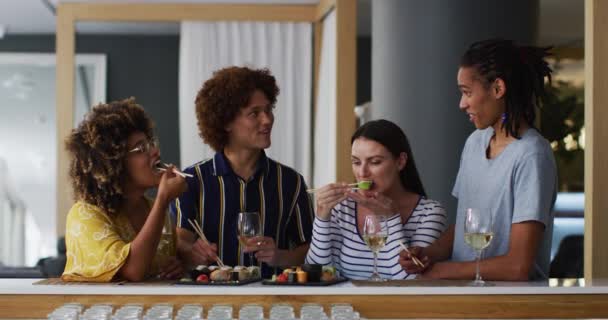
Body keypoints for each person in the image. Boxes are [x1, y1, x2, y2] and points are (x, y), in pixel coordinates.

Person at [400, 39, 557, 281]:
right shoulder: (475, 143)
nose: (462, 104)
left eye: (467, 92)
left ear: (497, 89)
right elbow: (466, 226)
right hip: (467, 299)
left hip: (509, 308)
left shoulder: (532, 155)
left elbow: (517, 266)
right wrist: (429, 254)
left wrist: (443, 272)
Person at [171, 66, 314, 278]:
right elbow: (180, 243)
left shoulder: (290, 182)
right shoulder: (192, 180)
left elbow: (310, 251)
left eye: (268, 110)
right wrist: (193, 253)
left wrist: (279, 257)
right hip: (211, 303)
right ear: (226, 122)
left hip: (273, 302)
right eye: (254, 113)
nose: (267, 120)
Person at [62, 98, 187, 282]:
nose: (155, 152)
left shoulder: (157, 211)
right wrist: (163, 200)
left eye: (150, 143)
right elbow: (132, 270)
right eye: (141, 148)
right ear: (115, 163)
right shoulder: (84, 215)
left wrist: (175, 267)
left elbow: (154, 269)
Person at [306, 119, 447, 280]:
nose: (362, 172)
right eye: (356, 162)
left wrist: (391, 218)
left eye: (375, 162)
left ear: (400, 161)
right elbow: (317, 274)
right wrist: (322, 219)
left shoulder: (429, 213)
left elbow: (410, 282)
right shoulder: (342, 206)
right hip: (346, 305)